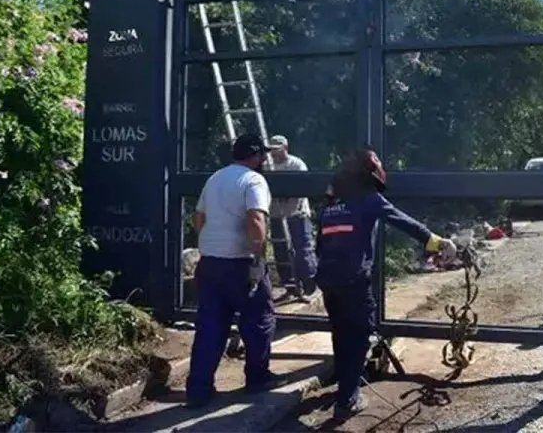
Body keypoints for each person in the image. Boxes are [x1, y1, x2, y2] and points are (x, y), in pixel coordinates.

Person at [316, 149, 457, 420]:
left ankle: (345, 383)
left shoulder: (331, 205)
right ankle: (347, 400)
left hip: (328, 279)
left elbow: (321, 244)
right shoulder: (369, 200)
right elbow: (403, 221)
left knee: (341, 332)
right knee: (359, 335)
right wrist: (439, 242)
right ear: (371, 174)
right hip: (353, 280)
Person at [186, 134, 276, 408]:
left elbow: (198, 217)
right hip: (241, 263)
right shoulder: (253, 180)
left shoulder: (214, 179)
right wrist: (259, 258)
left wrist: (213, 240)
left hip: (210, 262)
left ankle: (199, 390)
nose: (264, 160)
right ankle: (257, 380)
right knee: (258, 321)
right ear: (256, 155)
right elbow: (255, 218)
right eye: (263, 154)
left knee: (210, 326)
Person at [266, 135, 317, 302]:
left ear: (285, 148)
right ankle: (290, 287)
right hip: (276, 214)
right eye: (271, 150)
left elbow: (301, 189)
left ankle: (309, 286)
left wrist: (285, 196)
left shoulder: (296, 164)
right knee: (281, 251)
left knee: (302, 249)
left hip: (296, 214)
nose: (273, 153)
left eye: (277, 149)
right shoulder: (267, 166)